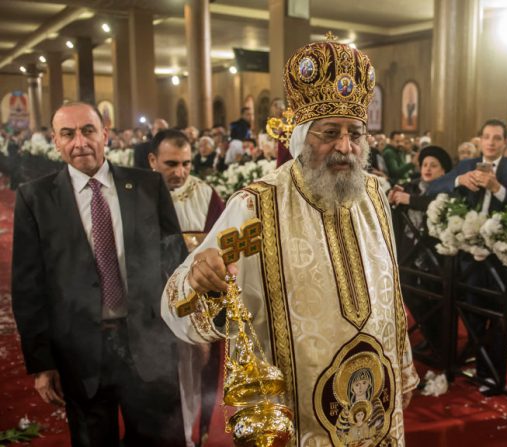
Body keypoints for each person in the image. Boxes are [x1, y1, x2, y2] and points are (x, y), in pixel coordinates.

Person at [161, 37, 419, 446]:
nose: (344, 147)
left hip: (377, 413)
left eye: (355, 133)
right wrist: (199, 279)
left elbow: (391, 290)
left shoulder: (373, 194)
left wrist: (402, 366)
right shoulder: (255, 206)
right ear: (301, 136)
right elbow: (176, 302)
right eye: (329, 132)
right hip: (296, 420)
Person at [12, 102, 186, 446]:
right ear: (55, 141)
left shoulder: (148, 187)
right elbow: (28, 286)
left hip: (149, 347)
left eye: (88, 130)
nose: (80, 142)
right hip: (80, 354)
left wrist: (192, 327)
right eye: (68, 134)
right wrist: (41, 362)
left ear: (105, 134)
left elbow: (176, 262)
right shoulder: (35, 199)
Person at [428, 119, 507, 394]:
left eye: (497, 138)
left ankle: (494, 378)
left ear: (505, 142)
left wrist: (498, 189)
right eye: (487, 137)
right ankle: (475, 367)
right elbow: (432, 188)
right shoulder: (466, 164)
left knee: (496, 317)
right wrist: (460, 180)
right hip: (468, 254)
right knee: (471, 313)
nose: (492, 142)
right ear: (480, 140)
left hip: (498, 256)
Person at [149, 128, 225, 447]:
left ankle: (196, 434)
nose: (180, 172)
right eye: (171, 164)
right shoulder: (138, 194)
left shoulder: (208, 195)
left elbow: (224, 252)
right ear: (153, 161)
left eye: (187, 164)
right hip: (153, 305)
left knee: (199, 378)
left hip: (201, 305)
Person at [388, 145, 453, 354]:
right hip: (408, 255)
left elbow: (437, 205)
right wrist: (394, 193)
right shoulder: (412, 185)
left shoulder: (447, 189)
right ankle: (429, 335)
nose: (428, 168)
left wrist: (411, 200)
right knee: (409, 293)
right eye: (425, 164)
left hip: (433, 257)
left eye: (434, 166)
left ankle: (440, 343)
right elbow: (397, 196)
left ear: (443, 171)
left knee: (433, 299)